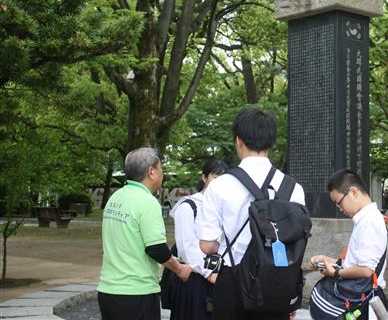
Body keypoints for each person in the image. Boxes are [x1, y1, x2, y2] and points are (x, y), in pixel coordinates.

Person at [197, 108, 306, 320]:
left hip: (233, 282)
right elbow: (297, 241)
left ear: (238, 140)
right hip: (278, 282)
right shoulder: (294, 188)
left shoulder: (219, 186)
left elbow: (207, 245)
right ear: (271, 141)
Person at [97, 147, 192, 320]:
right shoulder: (147, 202)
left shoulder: (115, 198)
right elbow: (156, 249)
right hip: (137, 293)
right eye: (161, 169)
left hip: (107, 291)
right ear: (151, 172)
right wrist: (179, 269)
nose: (163, 174)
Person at [309, 169, 388, 320]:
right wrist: (327, 260)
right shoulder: (364, 219)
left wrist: (335, 273)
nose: (340, 208)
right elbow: (355, 262)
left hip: (363, 303)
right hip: (359, 297)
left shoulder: (369, 221)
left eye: (339, 202)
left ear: (353, 192)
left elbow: (365, 269)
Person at [168, 159, 228, 320]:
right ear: (204, 178)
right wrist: (208, 273)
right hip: (194, 278)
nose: (220, 183)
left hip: (219, 277)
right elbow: (185, 248)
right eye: (216, 177)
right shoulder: (188, 206)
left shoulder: (226, 207)